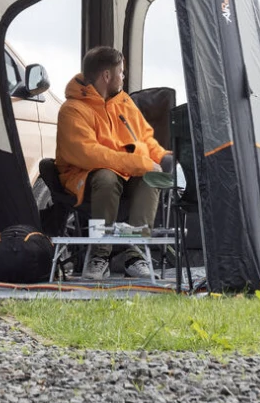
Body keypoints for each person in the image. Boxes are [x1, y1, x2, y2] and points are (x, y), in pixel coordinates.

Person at [54, 45, 173, 279]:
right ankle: (99, 255)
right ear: (107, 76)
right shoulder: (72, 110)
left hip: (124, 173)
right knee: (106, 177)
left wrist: (163, 158)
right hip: (85, 178)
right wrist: (139, 164)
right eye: (121, 72)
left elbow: (145, 138)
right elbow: (90, 155)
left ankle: (136, 255)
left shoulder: (124, 101)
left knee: (152, 176)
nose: (123, 77)